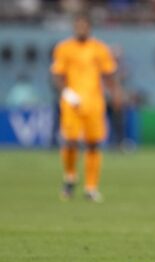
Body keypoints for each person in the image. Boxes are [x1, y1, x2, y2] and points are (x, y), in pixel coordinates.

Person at [51, 13, 123, 202]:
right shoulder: (64, 48)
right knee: (71, 141)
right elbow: (57, 75)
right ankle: (70, 176)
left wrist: (116, 94)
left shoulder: (100, 49)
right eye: (78, 26)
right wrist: (66, 92)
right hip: (72, 102)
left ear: (89, 28)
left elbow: (109, 75)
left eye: (84, 26)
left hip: (94, 102)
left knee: (93, 144)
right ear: (74, 27)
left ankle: (91, 188)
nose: (81, 29)